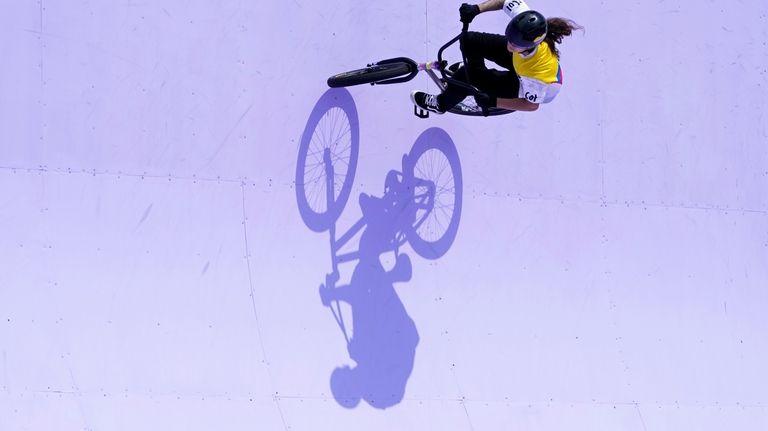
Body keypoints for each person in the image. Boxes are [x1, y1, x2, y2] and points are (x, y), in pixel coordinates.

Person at [411, 0, 582, 115]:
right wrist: (476, 9)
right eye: (510, 37)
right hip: (521, 60)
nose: (510, 44)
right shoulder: (525, 25)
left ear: (531, 44)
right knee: (470, 40)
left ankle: (441, 104)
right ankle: (475, 74)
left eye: (515, 44)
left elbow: (531, 105)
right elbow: (505, 1)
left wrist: (493, 101)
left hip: (526, 83)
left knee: (465, 76)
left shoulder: (538, 78)